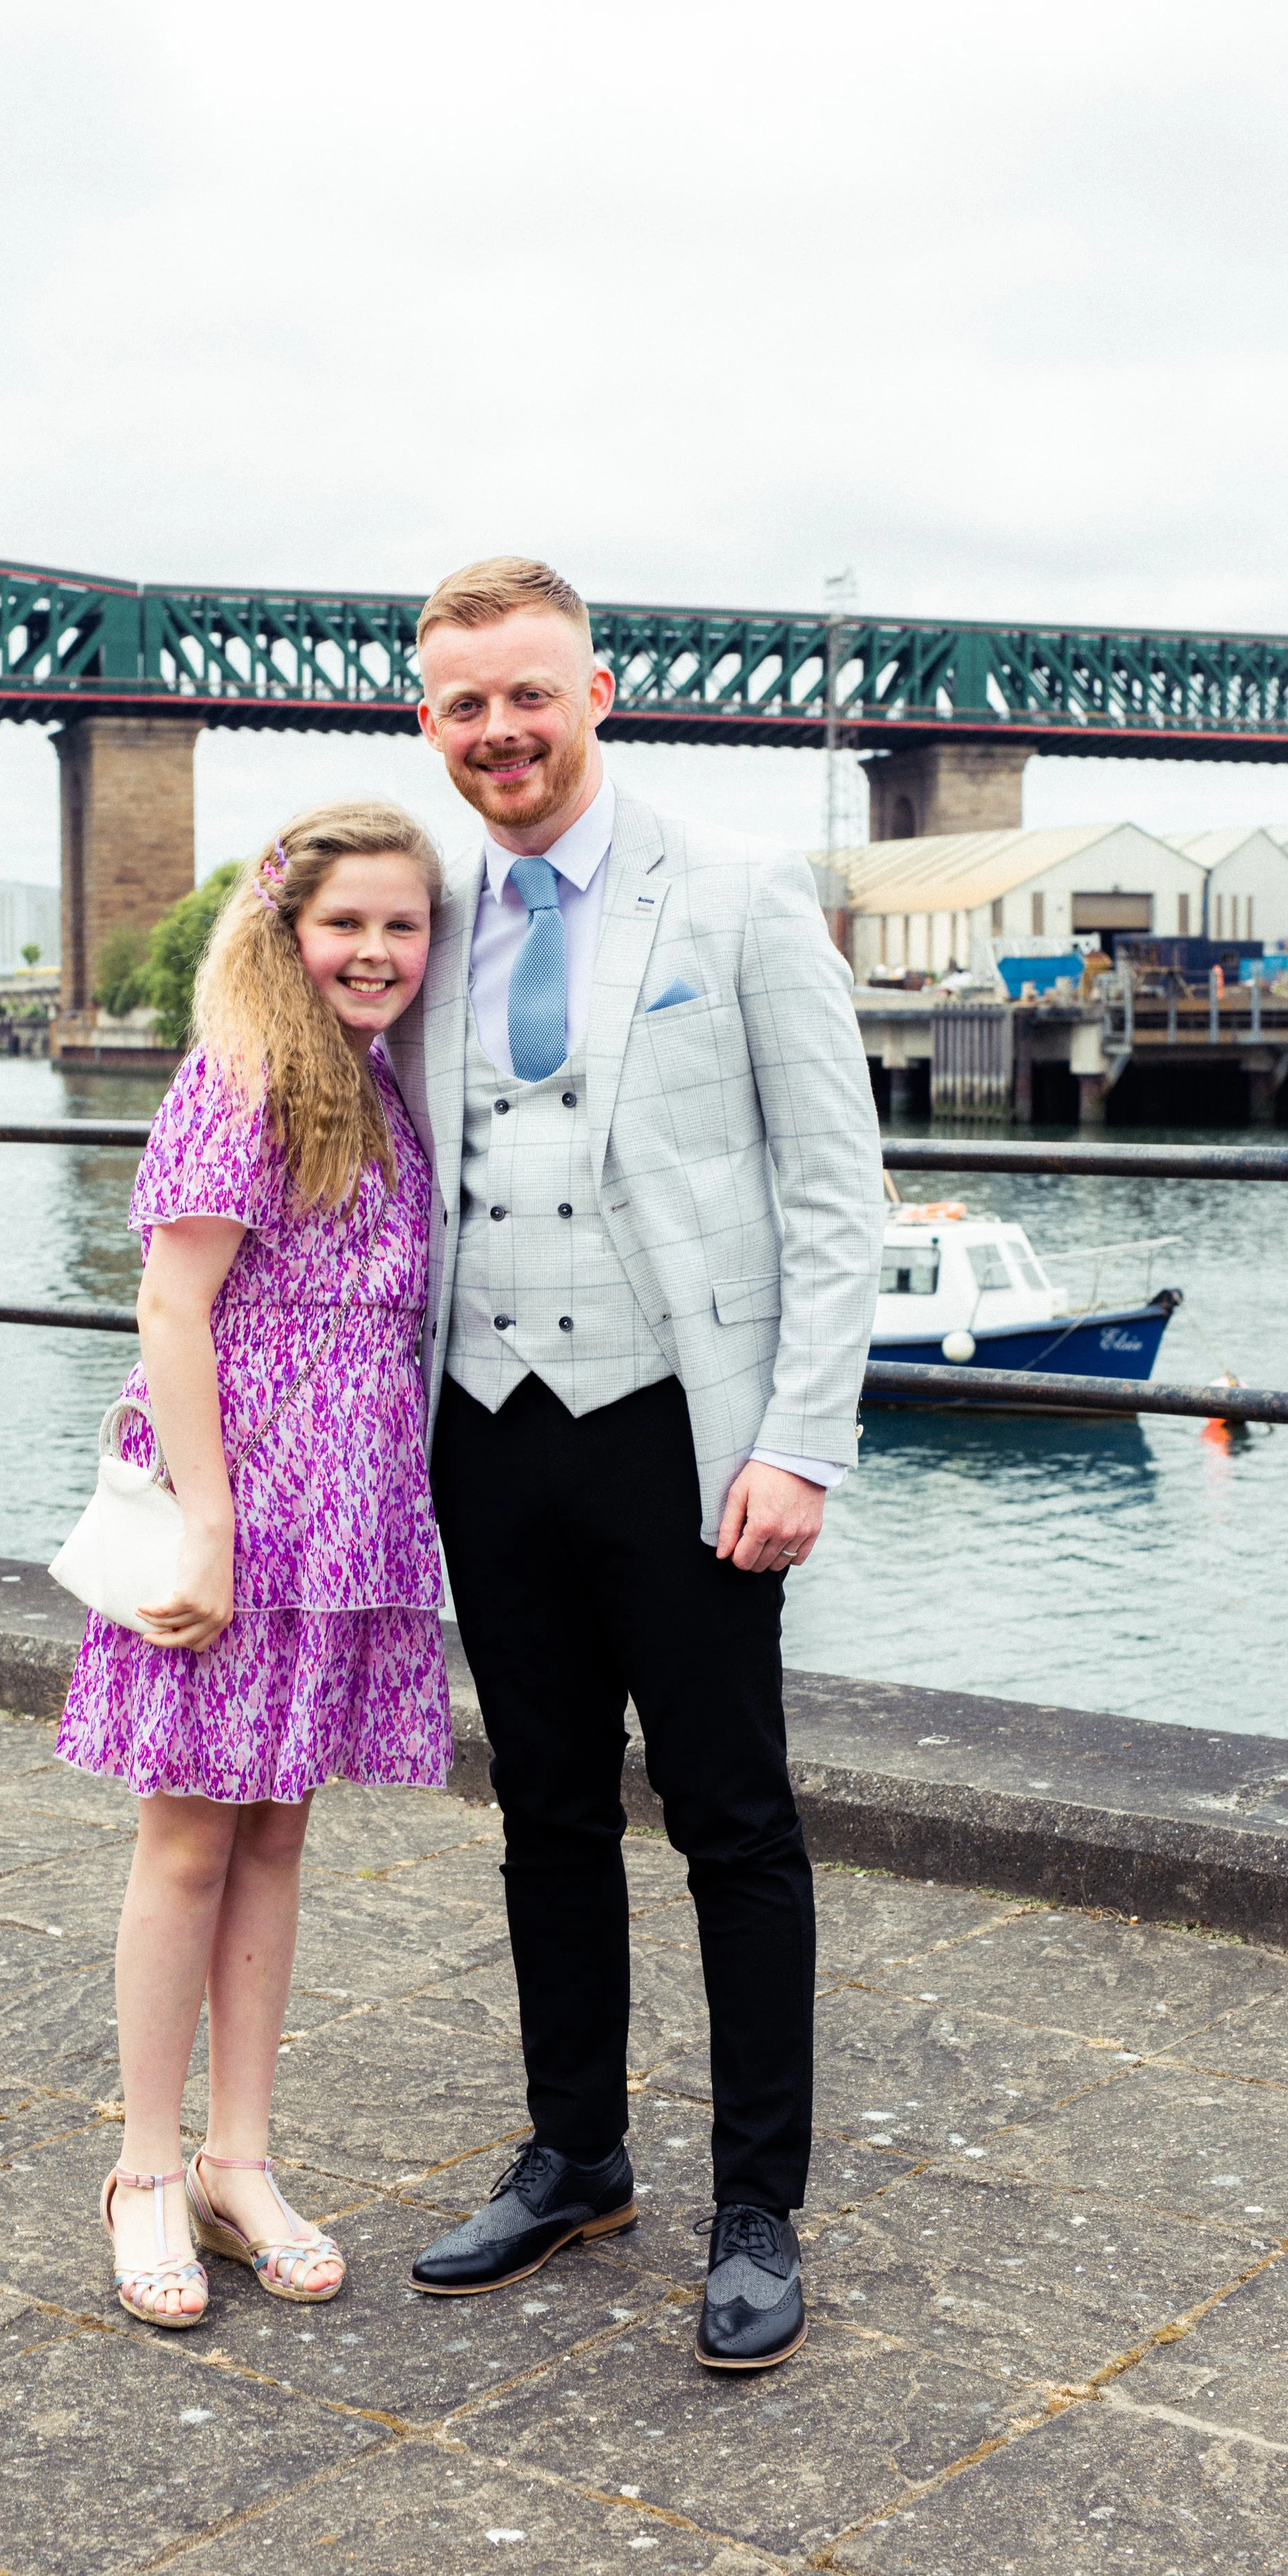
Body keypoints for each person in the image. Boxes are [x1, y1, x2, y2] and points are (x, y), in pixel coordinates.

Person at [387, 559, 883, 2372]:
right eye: (463, 704)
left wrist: (801, 1441)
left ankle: (756, 2199)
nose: (500, 731)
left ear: (598, 686)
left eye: (528, 693)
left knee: (734, 1818)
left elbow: (836, 1193)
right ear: (424, 717)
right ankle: (574, 2148)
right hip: (482, 1426)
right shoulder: (415, 910)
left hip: (682, 1427)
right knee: (541, 1808)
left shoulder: (740, 892)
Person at [57, 800, 451, 2329]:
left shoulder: (374, 1085)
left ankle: (240, 2158)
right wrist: (213, 1522)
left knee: (276, 1840)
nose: (372, 951)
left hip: (348, 1519)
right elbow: (171, 1312)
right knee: (184, 1842)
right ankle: (145, 2168)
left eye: (400, 924)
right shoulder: (244, 1074)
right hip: (249, 1506)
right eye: (343, 922)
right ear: (287, 932)